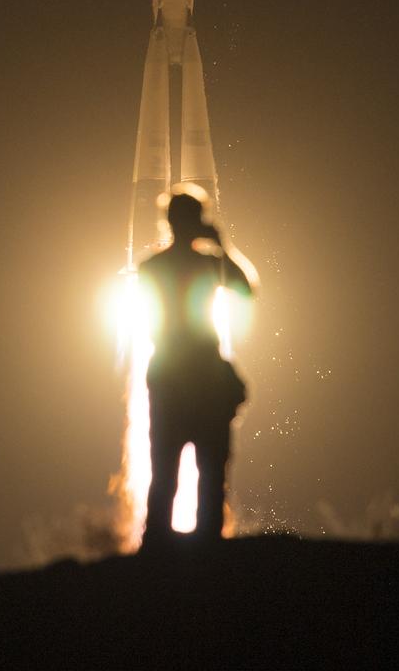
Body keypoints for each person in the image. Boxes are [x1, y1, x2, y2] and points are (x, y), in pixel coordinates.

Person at [138, 191, 254, 549]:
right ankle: (207, 543)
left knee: (166, 468)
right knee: (209, 467)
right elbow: (245, 288)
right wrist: (222, 248)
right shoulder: (208, 265)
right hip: (202, 375)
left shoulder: (151, 267)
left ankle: (158, 543)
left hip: (170, 374)